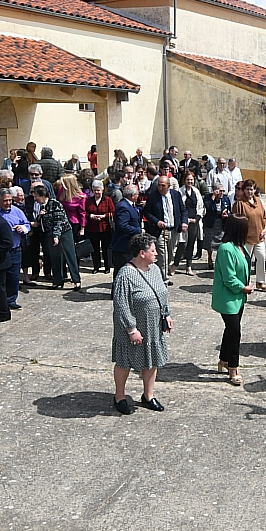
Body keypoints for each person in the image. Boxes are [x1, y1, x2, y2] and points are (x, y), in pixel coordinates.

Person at [112, 233, 171, 414]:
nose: (156, 253)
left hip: (153, 325)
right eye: (153, 250)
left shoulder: (155, 270)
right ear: (142, 253)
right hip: (132, 327)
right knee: (124, 362)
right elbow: (121, 305)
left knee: (151, 360)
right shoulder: (125, 275)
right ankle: (119, 397)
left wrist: (166, 314)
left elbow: (162, 292)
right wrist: (131, 329)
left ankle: (148, 396)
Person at [210, 214, 255, 385]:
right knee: (235, 331)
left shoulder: (240, 246)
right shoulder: (226, 249)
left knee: (230, 330)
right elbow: (229, 278)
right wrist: (244, 287)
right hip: (228, 298)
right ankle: (233, 367)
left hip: (238, 297)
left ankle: (224, 359)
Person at [32, 183, 81, 291]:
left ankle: (76, 281)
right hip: (50, 234)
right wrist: (39, 216)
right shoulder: (42, 206)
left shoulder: (55, 204)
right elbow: (41, 221)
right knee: (55, 257)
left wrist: (56, 236)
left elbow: (58, 221)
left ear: (42, 195)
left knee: (69, 255)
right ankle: (57, 281)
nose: (35, 199)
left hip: (64, 233)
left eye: (36, 196)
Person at [142, 174, 186, 283]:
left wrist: (184, 222)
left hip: (173, 229)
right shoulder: (153, 196)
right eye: (159, 185)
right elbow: (147, 212)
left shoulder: (176, 194)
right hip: (161, 231)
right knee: (162, 255)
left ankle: (159, 272)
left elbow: (183, 210)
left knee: (170, 254)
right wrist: (157, 222)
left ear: (169, 186)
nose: (161, 188)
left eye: (163, 186)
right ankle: (163, 279)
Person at [233, 180, 266, 293]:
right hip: (246, 238)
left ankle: (260, 281)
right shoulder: (240, 203)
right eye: (247, 189)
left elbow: (264, 216)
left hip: (259, 236)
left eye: (252, 189)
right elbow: (236, 220)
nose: (250, 191)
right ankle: (246, 281)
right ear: (244, 190)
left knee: (261, 257)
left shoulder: (258, 201)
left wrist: (265, 228)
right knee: (246, 261)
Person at [174, 170, 203, 275]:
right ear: (184, 180)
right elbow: (178, 207)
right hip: (184, 221)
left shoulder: (196, 191)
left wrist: (196, 218)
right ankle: (175, 265)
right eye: (188, 180)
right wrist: (184, 220)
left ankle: (188, 266)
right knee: (182, 244)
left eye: (191, 180)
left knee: (191, 244)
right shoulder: (180, 192)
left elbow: (200, 206)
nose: (190, 181)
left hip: (194, 221)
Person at [83, 180, 115, 274]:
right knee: (94, 248)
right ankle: (96, 266)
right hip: (93, 228)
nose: (97, 192)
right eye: (95, 190)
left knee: (106, 248)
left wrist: (104, 216)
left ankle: (107, 266)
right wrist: (91, 216)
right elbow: (84, 213)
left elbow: (113, 212)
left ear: (102, 190)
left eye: (98, 190)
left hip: (105, 228)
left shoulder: (107, 200)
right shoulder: (89, 200)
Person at [111, 185, 144, 277]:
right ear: (132, 196)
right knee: (122, 270)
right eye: (137, 194)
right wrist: (138, 230)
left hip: (129, 245)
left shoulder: (130, 205)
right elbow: (123, 225)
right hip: (123, 245)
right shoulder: (123, 207)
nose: (138, 196)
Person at [203, 182, 231, 269]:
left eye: (223, 191)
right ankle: (209, 258)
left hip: (221, 223)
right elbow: (208, 207)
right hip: (211, 223)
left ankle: (219, 259)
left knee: (221, 243)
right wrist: (213, 197)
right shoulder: (208, 197)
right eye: (220, 191)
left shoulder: (225, 198)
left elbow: (229, 209)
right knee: (210, 243)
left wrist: (227, 214)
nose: (222, 193)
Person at [57, 174, 86, 243]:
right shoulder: (61, 192)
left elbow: (82, 212)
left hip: (73, 223)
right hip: (61, 222)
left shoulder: (80, 197)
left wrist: (82, 228)